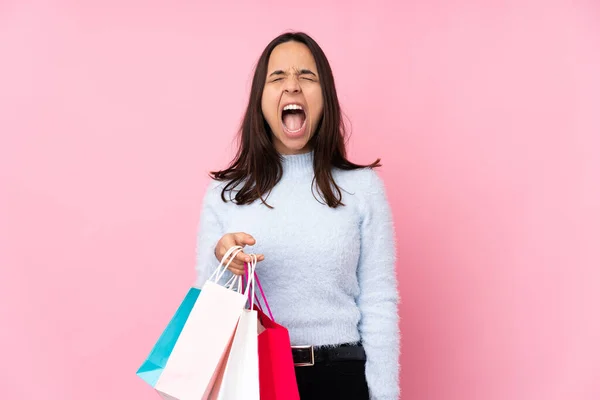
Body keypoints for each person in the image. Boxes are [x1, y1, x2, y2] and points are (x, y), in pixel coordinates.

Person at [194, 31, 399, 400]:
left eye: (307, 76)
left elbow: (379, 302)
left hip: (341, 379)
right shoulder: (226, 194)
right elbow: (210, 312)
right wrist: (224, 263)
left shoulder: (363, 188)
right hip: (254, 379)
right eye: (277, 78)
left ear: (326, 98)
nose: (292, 87)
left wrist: (384, 395)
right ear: (260, 99)